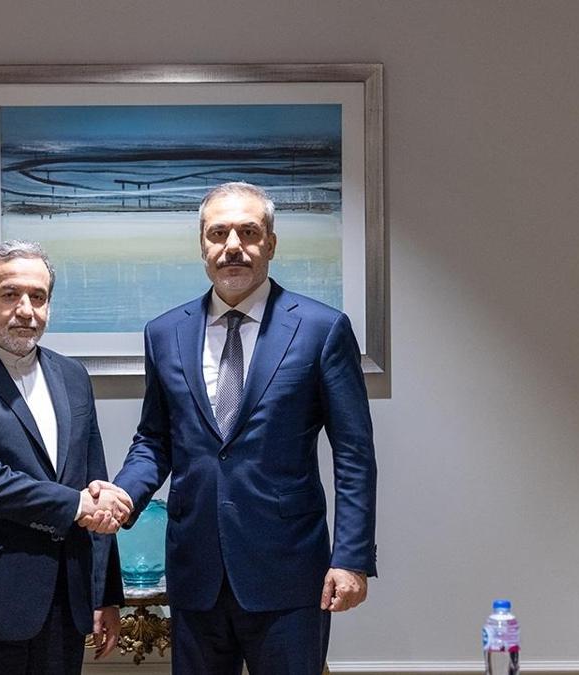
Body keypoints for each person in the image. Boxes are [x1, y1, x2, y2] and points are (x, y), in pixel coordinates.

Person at [97, 182, 378, 674]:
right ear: (202, 245)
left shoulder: (321, 328)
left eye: (248, 232)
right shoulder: (164, 332)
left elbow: (354, 454)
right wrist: (123, 494)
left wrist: (351, 557)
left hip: (289, 571)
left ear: (271, 243)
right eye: (218, 233)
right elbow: (155, 440)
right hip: (195, 571)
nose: (233, 246)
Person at [0, 241, 129, 674]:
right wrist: (75, 505)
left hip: (66, 605)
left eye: (38, 296)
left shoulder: (73, 375)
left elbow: (94, 481)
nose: (26, 310)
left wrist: (104, 594)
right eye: (11, 294)